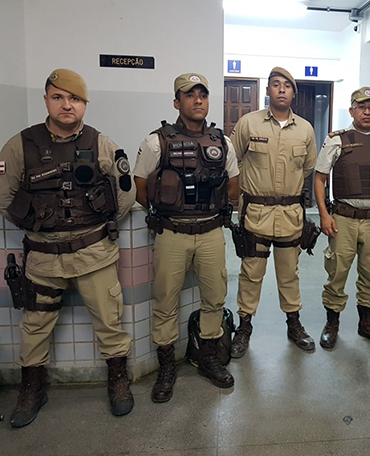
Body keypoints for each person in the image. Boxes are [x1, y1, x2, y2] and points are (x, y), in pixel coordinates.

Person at [0, 69, 136, 427]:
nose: (66, 104)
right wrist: (40, 227)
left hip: (94, 256)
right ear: (46, 100)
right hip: (43, 259)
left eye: (74, 99)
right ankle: (32, 387)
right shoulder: (20, 145)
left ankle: (118, 380)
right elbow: (4, 198)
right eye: (58, 97)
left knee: (109, 321)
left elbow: (125, 194)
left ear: (84, 105)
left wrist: (95, 227)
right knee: (35, 325)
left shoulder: (100, 143)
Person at [133, 73, 239, 398]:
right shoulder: (157, 141)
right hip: (172, 233)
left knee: (215, 298)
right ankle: (166, 367)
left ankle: (207, 358)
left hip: (210, 233)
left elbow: (233, 185)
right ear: (177, 102)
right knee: (165, 302)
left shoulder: (223, 141)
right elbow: (140, 188)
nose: (197, 100)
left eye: (202, 95)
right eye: (189, 95)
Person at [230, 67, 317, 358]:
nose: (281, 89)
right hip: (255, 212)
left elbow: (307, 168)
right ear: (267, 90)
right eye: (275, 85)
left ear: (293, 92)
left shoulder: (305, 129)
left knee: (289, 274)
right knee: (251, 273)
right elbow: (234, 161)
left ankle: (294, 325)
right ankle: (244, 328)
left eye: (287, 86)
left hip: (290, 214)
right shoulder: (248, 123)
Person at [314, 86, 370, 349]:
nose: (367, 112)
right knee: (337, 271)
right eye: (362, 107)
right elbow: (320, 178)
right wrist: (324, 215)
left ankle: (367, 324)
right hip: (343, 218)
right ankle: (332, 323)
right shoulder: (336, 139)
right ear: (352, 110)